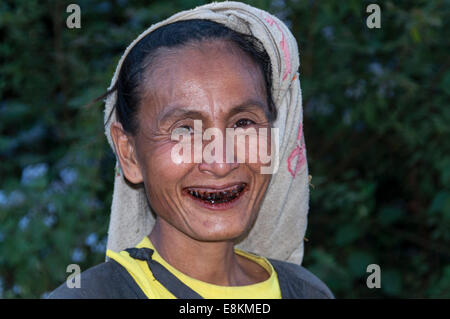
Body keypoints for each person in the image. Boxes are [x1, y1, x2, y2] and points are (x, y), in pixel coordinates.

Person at [48, 1, 334, 299]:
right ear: (129, 153)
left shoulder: (306, 291)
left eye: (243, 123)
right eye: (184, 130)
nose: (222, 163)